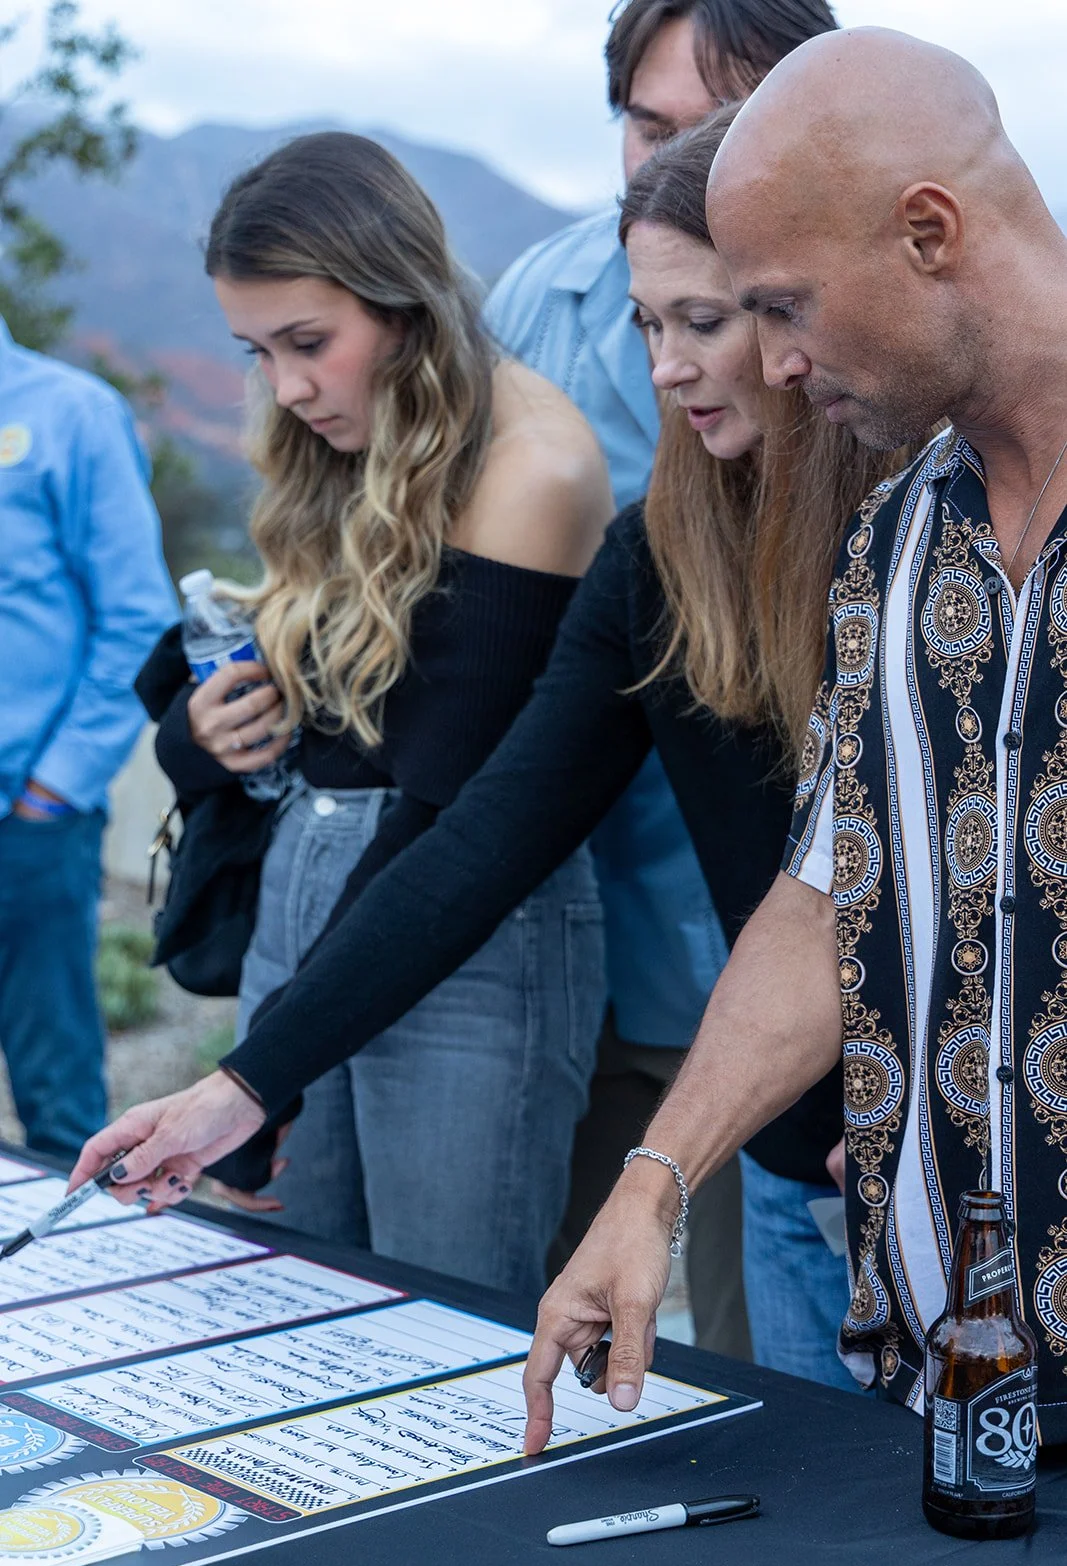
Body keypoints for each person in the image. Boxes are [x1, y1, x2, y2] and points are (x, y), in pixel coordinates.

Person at [70, 113, 906, 1390]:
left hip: (937, 1153)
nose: (666, 367)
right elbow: (489, 831)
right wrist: (239, 1085)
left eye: (705, 320)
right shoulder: (654, 556)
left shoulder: (925, 536)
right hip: (796, 1150)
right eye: (645, 325)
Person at [519, 25, 1067, 1451]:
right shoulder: (891, 533)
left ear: (927, 230)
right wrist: (653, 1180)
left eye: (781, 303)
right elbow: (832, 883)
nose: (767, 359)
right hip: (939, 1372)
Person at [132, 131, 614, 1297]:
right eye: (257, 353)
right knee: (289, 1298)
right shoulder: (340, 432)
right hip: (310, 886)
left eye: (309, 343)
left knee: (444, 1319)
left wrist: (257, 1073)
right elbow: (281, 714)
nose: (288, 389)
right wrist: (197, 738)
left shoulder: (531, 463)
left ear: (403, 304)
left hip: (463, 926)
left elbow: (437, 806)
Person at [487, 0, 838, 1361]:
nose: (669, 365)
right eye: (646, 127)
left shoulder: (920, 469)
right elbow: (520, 743)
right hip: (619, 930)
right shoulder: (534, 313)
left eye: (724, 130)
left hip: (821, 1048)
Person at [0, 321, 176, 1161]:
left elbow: (140, 619)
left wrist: (52, 790)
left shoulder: (70, 414)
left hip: (26, 818)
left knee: (56, 1098)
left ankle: (64, 1287)